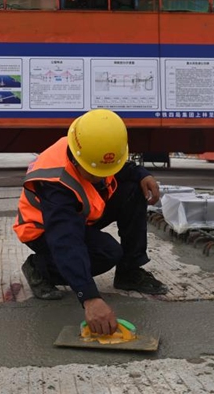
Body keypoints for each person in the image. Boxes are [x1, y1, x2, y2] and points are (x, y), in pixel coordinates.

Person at [13, 109, 168, 336]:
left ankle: (129, 272)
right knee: (106, 253)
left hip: (81, 213)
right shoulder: (55, 183)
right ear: (76, 158)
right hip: (44, 229)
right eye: (95, 172)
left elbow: (117, 167)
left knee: (135, 189)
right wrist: (89, 297)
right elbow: (66, 241)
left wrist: (143, 174)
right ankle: (40, 267)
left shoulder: (90, 145)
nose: (102, 177)